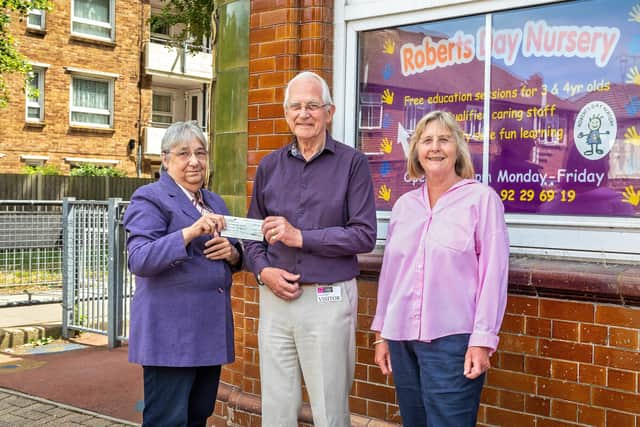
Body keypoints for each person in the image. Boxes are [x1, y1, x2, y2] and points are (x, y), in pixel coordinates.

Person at [244, 71, 377, 427]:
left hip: (326, 300)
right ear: (287, 113)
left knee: (329, 411)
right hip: (274, 299)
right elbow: (251, 233)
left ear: (329, 112)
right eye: (296, 106)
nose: (304, 114)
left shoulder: (353, 164)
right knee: (276, 408)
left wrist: (301, 237)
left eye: (312, 106)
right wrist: (262, 271)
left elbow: (364, 235)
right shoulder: (269, 166)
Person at [371, 110, 509, 427]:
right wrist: (382, 335)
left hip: (453, 343)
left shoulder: (481, 200)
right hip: (401, 338)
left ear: (457, 148)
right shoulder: (405, 206)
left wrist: (483, 339)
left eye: (444, 140)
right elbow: (390, 275)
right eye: (427, 140)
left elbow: (494, 275)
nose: (435, 147)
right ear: (416, 150)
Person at [123, 121, 242, 427]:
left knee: (198, 416)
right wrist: (188, 233)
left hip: (208, 333)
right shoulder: (150, 198)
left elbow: (235, 251)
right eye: (184, 153)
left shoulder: (214, 201)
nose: (194, 161)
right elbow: (139, 259)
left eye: (200, 153)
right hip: (171, 338)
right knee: (168, 421)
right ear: (165, 159)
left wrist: (233, 254)